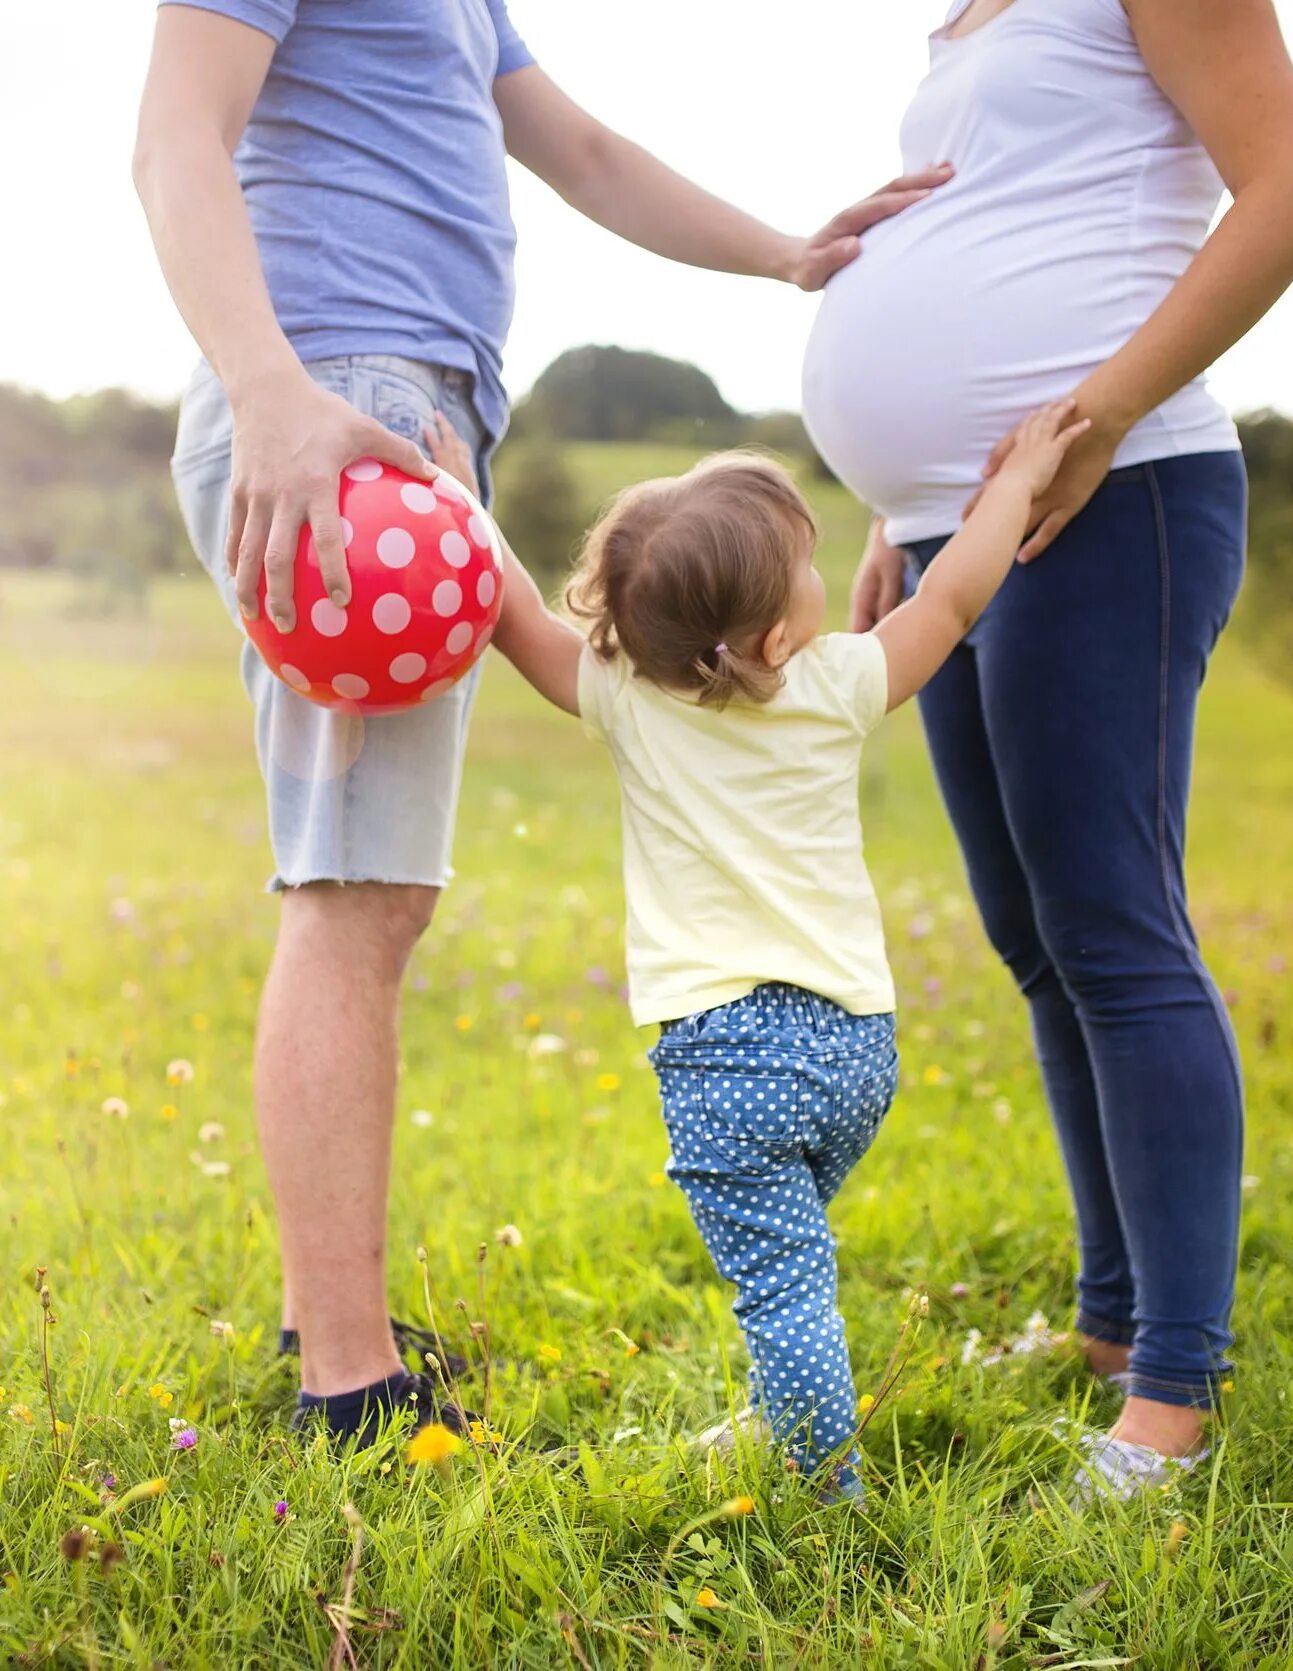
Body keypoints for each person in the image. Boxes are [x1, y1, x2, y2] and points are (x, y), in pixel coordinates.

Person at [133, 0, 948, 1441]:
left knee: (367, 886)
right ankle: (345, 1378)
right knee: (353, 888)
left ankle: (335, 1325)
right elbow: (174, 135)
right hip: (336, 406)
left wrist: (785, 253)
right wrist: (273, 394)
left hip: (394, 409)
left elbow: (578, 147)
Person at [800, 0, 1293, 1496]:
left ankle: (1172, 1385)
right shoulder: (962, 15)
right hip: (956, 532)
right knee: (1034, 937)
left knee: (1112, 926)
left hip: (1119, 493)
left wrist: (1099, 414)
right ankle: (1108, 1329)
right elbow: (998, 249)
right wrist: (895, 505)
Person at [478, 402, 1089, 1496]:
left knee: (784, 1278)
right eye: (806, 566)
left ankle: (828, 1492)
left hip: (727, 1060)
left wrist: (458, 500)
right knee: (792, 1260)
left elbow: (515, 616)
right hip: (856, 1050)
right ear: (773, 637)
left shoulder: (623, 698)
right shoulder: (838, 686)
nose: (819, 580)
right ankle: (784, 1406)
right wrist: (1017, 485)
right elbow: (952, 595)